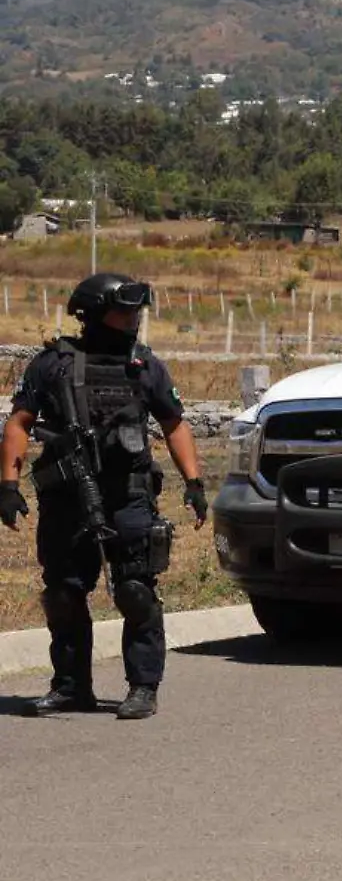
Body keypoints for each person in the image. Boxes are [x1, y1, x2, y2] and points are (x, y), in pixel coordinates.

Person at [0, 273, 209, 720]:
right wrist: (8, 486)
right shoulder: (51, 364)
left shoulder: (144, 365)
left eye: (137, 311)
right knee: (63, 594)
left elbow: (174, 423)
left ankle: (143, 687)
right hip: (65, 497)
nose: (134, 319)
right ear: (94, 311)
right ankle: (72, 686)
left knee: (135, 590)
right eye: (125, 310)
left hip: (128, 495)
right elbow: (19, 422)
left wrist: (193, 484)